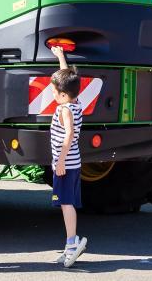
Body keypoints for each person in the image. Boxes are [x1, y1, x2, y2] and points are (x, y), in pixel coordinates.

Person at [49, 45, 88, 268]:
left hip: (66, 163)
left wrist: (60, 161)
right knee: (67, 202)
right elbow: (66, 79)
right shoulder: (74, 102)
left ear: (63, 95)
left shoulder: (64, 109)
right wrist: (61, 58)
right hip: (73, 162)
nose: (52, 94)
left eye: (54, 92)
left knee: (66, 204)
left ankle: (72, 243)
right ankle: (69, 245)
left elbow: (70, 134)